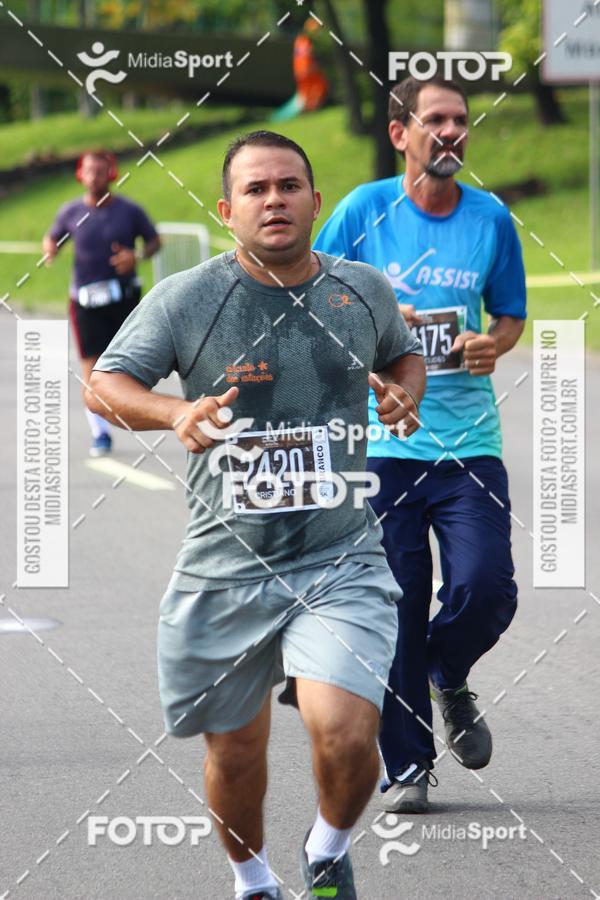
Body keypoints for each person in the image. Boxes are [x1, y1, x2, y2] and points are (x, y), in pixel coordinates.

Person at [86, 131, 425, 899]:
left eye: (289, 186)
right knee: (236, 750)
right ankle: (252, 881)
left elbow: (402, 353)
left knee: (346, 734)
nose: (274, 200)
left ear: (314, 200)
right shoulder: (188, 298)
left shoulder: (361, 288)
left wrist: (407, 388)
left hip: (341, 558)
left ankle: (329, 849)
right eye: (256, 190)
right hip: (226, 565)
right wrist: (174, 411)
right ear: (227, 209)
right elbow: (105, 384)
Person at [314, 75, 526, 814]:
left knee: (487, 587)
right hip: (382, 444)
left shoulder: (491, 218)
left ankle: (446, 669)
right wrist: (373, 319)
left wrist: (489, 345)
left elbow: (510, 316)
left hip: (470, 440)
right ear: (401, 133)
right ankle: (408, 767)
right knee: (397, 606)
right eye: (435, 119)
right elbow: (310, 295)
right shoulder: (363, 212)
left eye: (461, 120)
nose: (451, 132)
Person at [43, 150, 160, 457]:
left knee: (129, 365)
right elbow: (53, 237)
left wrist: (136, 256)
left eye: (101, 170)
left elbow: (154, 241)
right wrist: (50, 249)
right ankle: (101, 434)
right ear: (80, 174)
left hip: (124, 298)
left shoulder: (129, 211)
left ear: (112, 173)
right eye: (89, 170)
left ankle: (141, 414)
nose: (94, 176)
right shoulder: (70, 212)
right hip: (85, 302)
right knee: (91, 369)